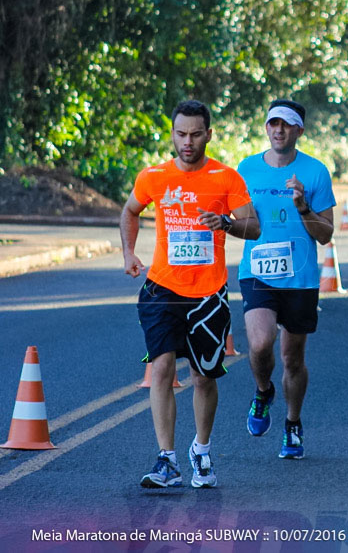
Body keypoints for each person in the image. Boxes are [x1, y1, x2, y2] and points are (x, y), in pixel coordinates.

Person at [120, 99, 260, 489]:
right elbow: (130, 211)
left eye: (196, 134)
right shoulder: (154, 176)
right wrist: (130, 253)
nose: (188, 141)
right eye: (181, 133)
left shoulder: (226, 179)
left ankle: (200, 449)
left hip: (208, 295)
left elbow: (254, 226)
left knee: (202, 377)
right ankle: (166, 460)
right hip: (161, 290)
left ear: (208, 135)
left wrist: (228, 223)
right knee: (161, 368)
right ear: (172, 135)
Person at [238, 99, 336, 460]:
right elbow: (243, 222)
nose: (278, 130)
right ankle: (263, 391)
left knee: (292, 358)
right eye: (273, 123)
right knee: (261, 344)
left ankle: (292, 424)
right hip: (258, 274)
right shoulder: (247, 168)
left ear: (299, 130)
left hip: (301, 278)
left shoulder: (315, 172)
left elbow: (325, 235)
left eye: (286, 124)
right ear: (266, 128)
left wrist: (303, 208)